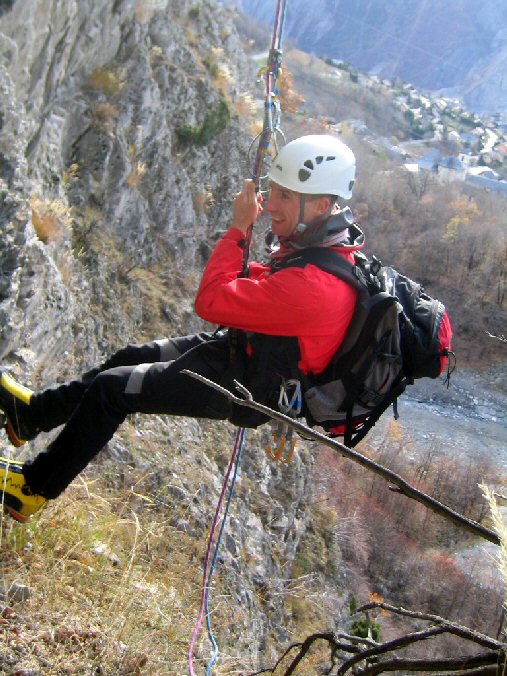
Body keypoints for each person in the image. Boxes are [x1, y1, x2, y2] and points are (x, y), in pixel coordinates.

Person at [0, 134, 364, 522]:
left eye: (285, 197)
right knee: (130, 359)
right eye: (272, 191)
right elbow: (274, 284)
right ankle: (34, 415)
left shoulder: (316, 286)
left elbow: (211, 302)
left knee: (112, 390)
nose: (271, 205)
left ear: (322, 204)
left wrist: (239, 230)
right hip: (244, 352)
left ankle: (33, 489)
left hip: (244, 385)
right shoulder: (324, 246)